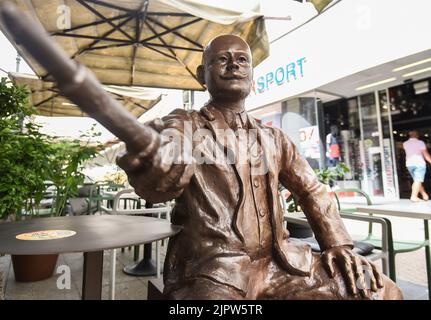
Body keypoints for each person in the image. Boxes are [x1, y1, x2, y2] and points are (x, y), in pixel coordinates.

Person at [117, 35, 402, 299]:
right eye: (222, 59)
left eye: (242, 60)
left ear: (252, 75)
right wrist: (153, 160)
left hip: (281, 265)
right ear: (202, 75)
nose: (234, 66)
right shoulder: (185, 125)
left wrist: (338, 244)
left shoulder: (273, 137)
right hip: (213, 271)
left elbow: (311, 190)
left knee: (381, 291)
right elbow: (163, 173)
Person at [403, 131, 431, 202]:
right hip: (419, 163)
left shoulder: (405, 143)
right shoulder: (420, 143)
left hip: (409, 164)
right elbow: (426, 154)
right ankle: (413, 196)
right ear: (417, 135)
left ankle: (424, 195)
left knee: (416, 181)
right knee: (418, 180)